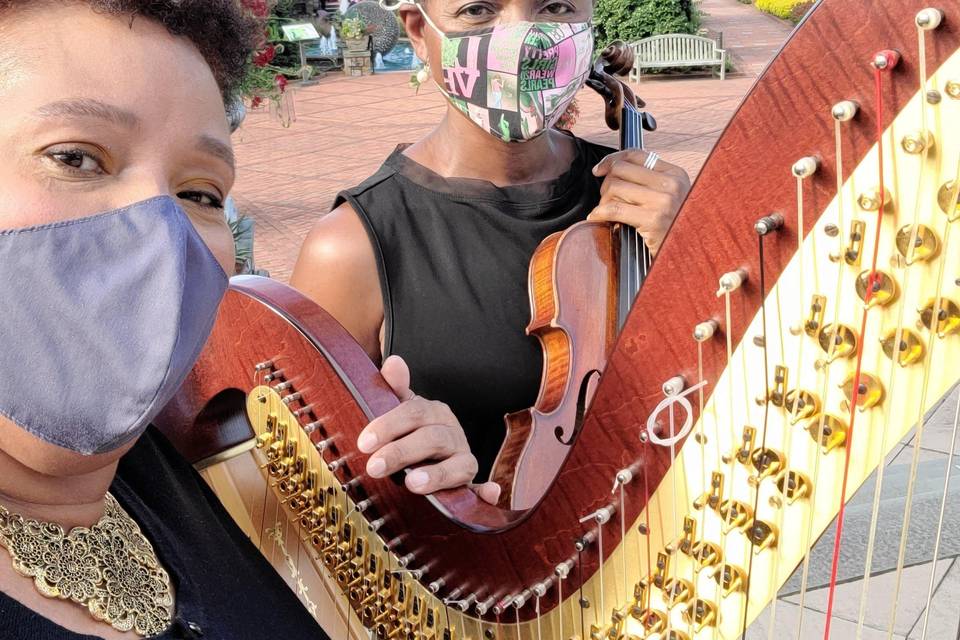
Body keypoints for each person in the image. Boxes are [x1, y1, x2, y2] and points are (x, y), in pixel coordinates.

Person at [0, 2, 330, 638]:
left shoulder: (180, 463)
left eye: (200, 193)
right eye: (75, 157)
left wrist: (406, 500)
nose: (160, 233)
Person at [290, 0, 691, 504]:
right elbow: (311, 484)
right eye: (478, 10)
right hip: (466, 574)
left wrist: (693, 256)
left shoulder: (645, 204)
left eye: (554, 7)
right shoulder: (349, 248)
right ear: (419, 31)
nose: (522, 39)